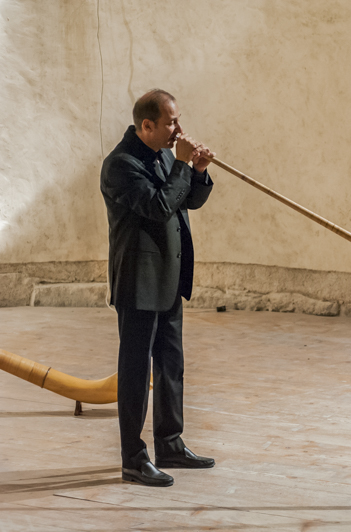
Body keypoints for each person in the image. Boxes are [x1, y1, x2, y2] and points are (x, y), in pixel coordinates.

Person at [101, 89, 215, 486]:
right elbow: (158, 206)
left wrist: (196, 171)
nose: (178, 130)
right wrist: (182, 164)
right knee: (135, 371)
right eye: (170, 123)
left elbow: (186, 202)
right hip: (138, 281)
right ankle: (133, 457)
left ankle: (170, 442)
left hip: (169, 277)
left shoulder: (166, 155)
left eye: (177, 120)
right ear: (146, 125)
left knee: (170, 366)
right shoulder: (120, 165)